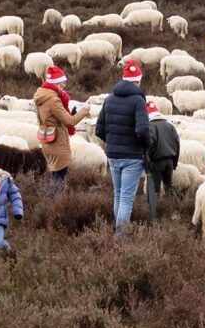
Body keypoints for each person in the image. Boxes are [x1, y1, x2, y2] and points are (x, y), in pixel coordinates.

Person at [96, 60, 149, 239]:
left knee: (118, 194)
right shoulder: (138, 100)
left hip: (113, 154)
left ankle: (117, 232)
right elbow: (142, 130)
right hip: (132, 156)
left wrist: (112, 143)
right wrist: (145, 146)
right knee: (127, 198)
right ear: (137, 81)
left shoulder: (109, 99)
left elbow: (99, 129)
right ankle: (120, 236)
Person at [33, 65, 91, 191]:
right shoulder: (53, 100)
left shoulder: (40, 96)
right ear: (54, 84)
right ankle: (54, 204)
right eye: (61, 83)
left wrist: (73, 112)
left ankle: (51, 203)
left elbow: (52, 118)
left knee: (56, 175)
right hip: (58, 142)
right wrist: (85, 110)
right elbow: (69, 121)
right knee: (59, 178)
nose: (64, 85)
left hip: (47, 139)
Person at [144, 99, 181, 221]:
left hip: (156, 162)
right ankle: (175, 211)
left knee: (155, 189)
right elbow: (177, 143)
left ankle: (153, 215)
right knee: (169, 186)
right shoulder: (170, 126)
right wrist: (174, 162)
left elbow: (150, 144)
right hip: (169, 161)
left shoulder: (151, 126)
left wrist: (148, 161)